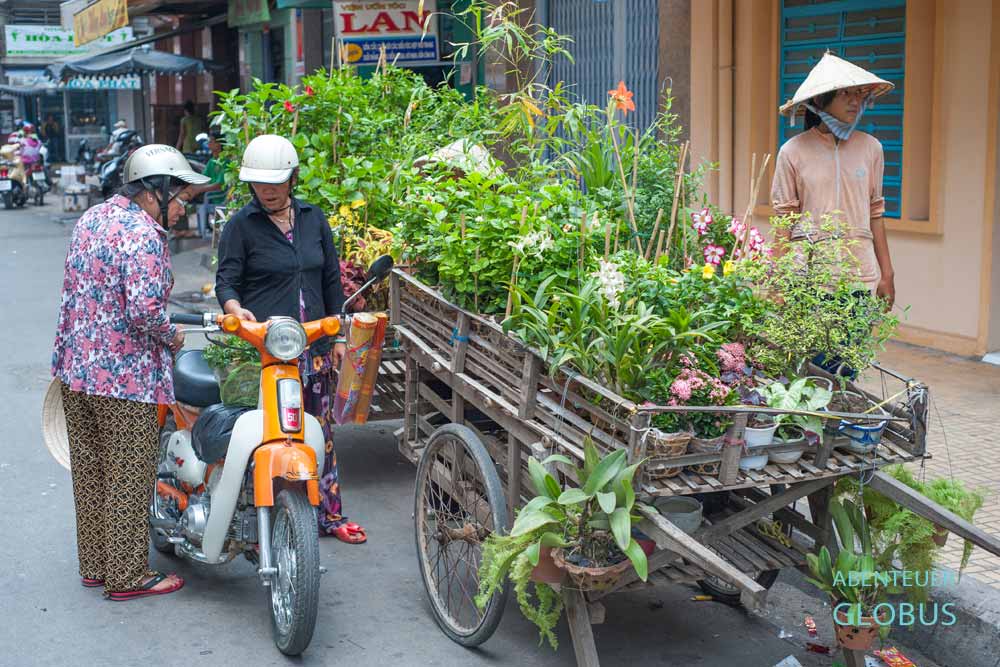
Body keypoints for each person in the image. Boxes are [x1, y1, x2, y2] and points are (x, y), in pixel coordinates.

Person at [51, 145, 212, 600]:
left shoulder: (93, 218)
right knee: (127, 476)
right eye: (180, 197)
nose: (183, 208)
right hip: (123, 378)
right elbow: (144, 311)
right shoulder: (143, 233)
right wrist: (173, 337)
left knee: (92, 472)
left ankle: (97, 565)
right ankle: (126, 577)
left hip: (76, 369)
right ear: (153, 192)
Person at [215, 134, 367, 544]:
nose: (266, 190)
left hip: (314, 343)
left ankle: (330, 516)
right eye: (259, 183)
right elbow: (226, 280)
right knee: (268, 434)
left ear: (292, 178)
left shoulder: (314, 218)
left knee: (319, 429)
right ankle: (271, 515)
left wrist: (337, 334)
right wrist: (234, 309)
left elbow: (331, 278)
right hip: (267, 350)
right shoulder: (241, 227)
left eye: (275, 182)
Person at [771, 52, 896, 308]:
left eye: (859, 93)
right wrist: (778, 282)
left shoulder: (872, 148)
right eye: (844, 94)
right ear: (819, 99)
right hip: (808, 276)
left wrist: (887, 273)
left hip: (860, 275)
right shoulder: (792, 152)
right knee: (814, 349)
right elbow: (784, 219)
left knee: (854, 347)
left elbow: (876, 212)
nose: (855, 101)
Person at [184, 126, 228, 237]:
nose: (209, 143)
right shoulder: (212, 161)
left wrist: (199, 190)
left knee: (189, 197)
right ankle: (188, 229)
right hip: (208, 196)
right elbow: (203, 179)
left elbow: (219, 184)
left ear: (219, 144)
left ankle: (201, 230)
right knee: (182, 195)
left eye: (211, 141)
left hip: (219, 197)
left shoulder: (225, 161)